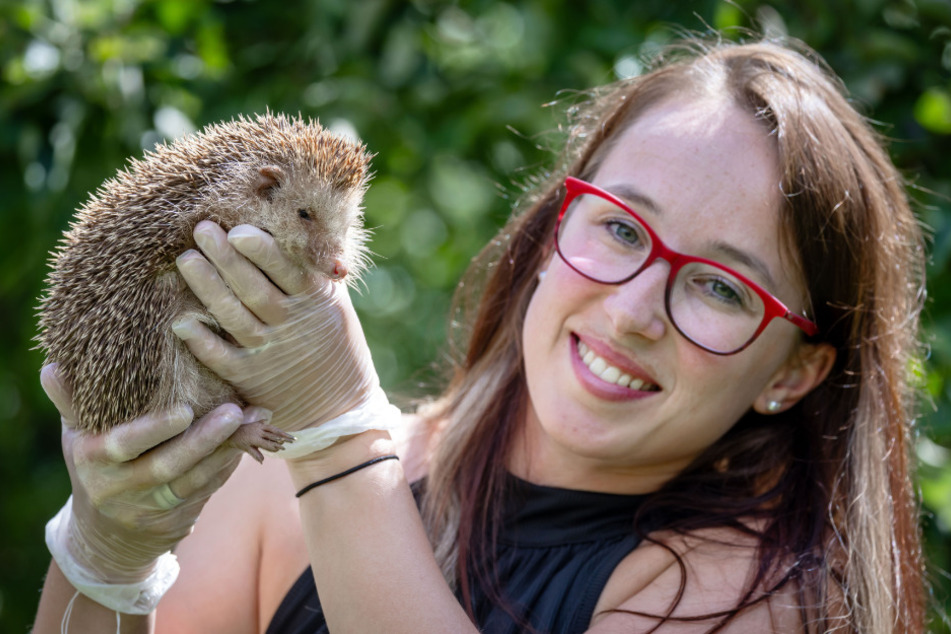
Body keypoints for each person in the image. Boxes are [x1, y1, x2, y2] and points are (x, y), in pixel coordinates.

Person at [32, 35, 927, 634]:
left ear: (796, 373)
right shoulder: (274, 474)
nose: (630, 311)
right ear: (550, 231)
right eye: (619, 228)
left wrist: (340, 431)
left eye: (722, 288)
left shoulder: (762, 603)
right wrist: (105, 553)